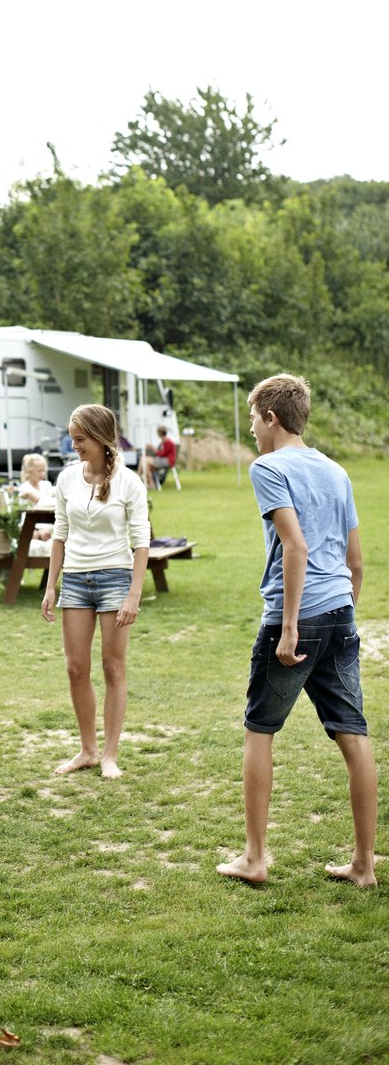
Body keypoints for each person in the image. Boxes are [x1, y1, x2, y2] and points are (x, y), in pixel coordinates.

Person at [217, 374, 377, 888]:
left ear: (271, 417)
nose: (251, 431)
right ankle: (364, 865)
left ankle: (256, 858)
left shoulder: (267, 466)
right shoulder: (336, 470)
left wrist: (289, 630)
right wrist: (341, 613)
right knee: (353, 734)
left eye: (252, 419)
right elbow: (356, 563)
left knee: (259, 729)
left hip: (297, 618)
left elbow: (296, 547)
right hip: (339, 613)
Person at [41, 403, 149, 779]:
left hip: (115, 579)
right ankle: (87, 750)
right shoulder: (67, 479)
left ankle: (109, 755)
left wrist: (134, 593)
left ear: (102, 439)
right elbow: (59, 533)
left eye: (80, 439)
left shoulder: (129, 482)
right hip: (75, 579)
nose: (74, 446)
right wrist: (51, 585)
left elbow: (141, 541)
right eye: (73, 438)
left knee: (113, 667)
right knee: (75, 668)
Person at [18, 452, 56, 552]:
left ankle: (47, 565)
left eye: (44, 471)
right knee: (33, 535)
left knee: (46, 534)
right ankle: (29, 560)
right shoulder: (25, 488)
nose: (42, 474)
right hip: (29, 523)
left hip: (45, 523)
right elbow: (40, 501)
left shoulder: (46, 485)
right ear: (29, 471)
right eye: (39, 471)